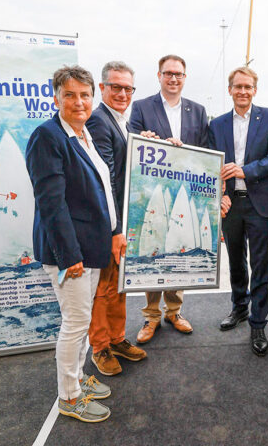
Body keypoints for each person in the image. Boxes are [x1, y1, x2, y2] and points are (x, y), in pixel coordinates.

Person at [26, 65, 126, 423]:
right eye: (70, 95)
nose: (79, 101)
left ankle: (77, 378)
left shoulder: (81, 134)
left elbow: (98, 190)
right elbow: (51, 204)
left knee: (80, 322)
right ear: (56, 98)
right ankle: (69, 395)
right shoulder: (47, 136)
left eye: (85, 95)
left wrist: (114, 230)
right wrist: (70, 257)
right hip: (72, 254)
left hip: (92, 246)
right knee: (75, 323)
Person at [130, 54, 209, 343]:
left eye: (178, 74)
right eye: (168, 73)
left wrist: (185, 151)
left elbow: (204, 151)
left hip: (184, 188)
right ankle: (150, 316)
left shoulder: (198, 111)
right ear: (159, 76)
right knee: (154, 247)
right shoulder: (141, 107)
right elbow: (131, 140)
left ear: (185, 77)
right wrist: (145, 138)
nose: (173, 78)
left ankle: (174, 312)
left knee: (179, 248)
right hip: (153, 189)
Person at [209, 66, 268, 356]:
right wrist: (220, 195)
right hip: (231, 204)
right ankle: (239, 307)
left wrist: (245, 170)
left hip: (260, 202)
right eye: (238, 86)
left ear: (255, 90)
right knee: (236, 262)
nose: (243, 91)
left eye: (248, 87)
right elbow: (209, 164)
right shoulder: (216, 125)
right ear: (230, 90)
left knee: (261, 265)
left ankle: (258, 323)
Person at [85, 61, 147, 376]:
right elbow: (106, 179)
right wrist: (116, 230)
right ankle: (100, 348)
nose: (123, 93)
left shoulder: (120, 121)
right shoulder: (99, 121)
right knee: (103, 287)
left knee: (118, 285)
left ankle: (118, 338)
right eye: (116, 87)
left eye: (128, 88)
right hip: (107, 225)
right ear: (103, 88)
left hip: (119, 220)